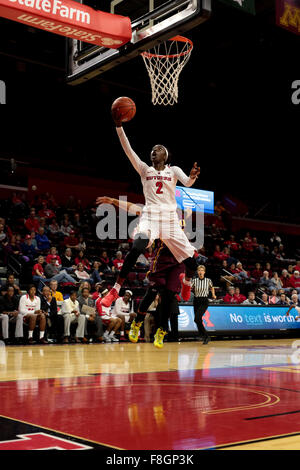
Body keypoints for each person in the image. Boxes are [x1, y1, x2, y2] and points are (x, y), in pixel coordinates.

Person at [98, 117, 200, 309]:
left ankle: (186, 283)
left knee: (193, 264)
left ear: (166, 156)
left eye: (158, 149)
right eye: (153, 149)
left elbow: (187, 182)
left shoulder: (174, 170)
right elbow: (128, 150)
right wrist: (119, 127)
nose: (154, 151)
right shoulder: (144, 169)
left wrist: (192, 177)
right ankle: (115, 289)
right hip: (150, 218)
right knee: (137, 246)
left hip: (170, 221)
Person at [191, 265, 216, 344]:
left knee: (197, 318)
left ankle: (206, 336)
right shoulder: (194, 281)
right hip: (196, 300)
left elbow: (212, 287)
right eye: (199, 270)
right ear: (197, 272)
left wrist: (213, 294)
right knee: (197, 320)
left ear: (204, 272)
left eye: (202, 270)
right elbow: (190, 288)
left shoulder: (208, 280)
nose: (200, 272)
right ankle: (202, 335)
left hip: (204, 300)